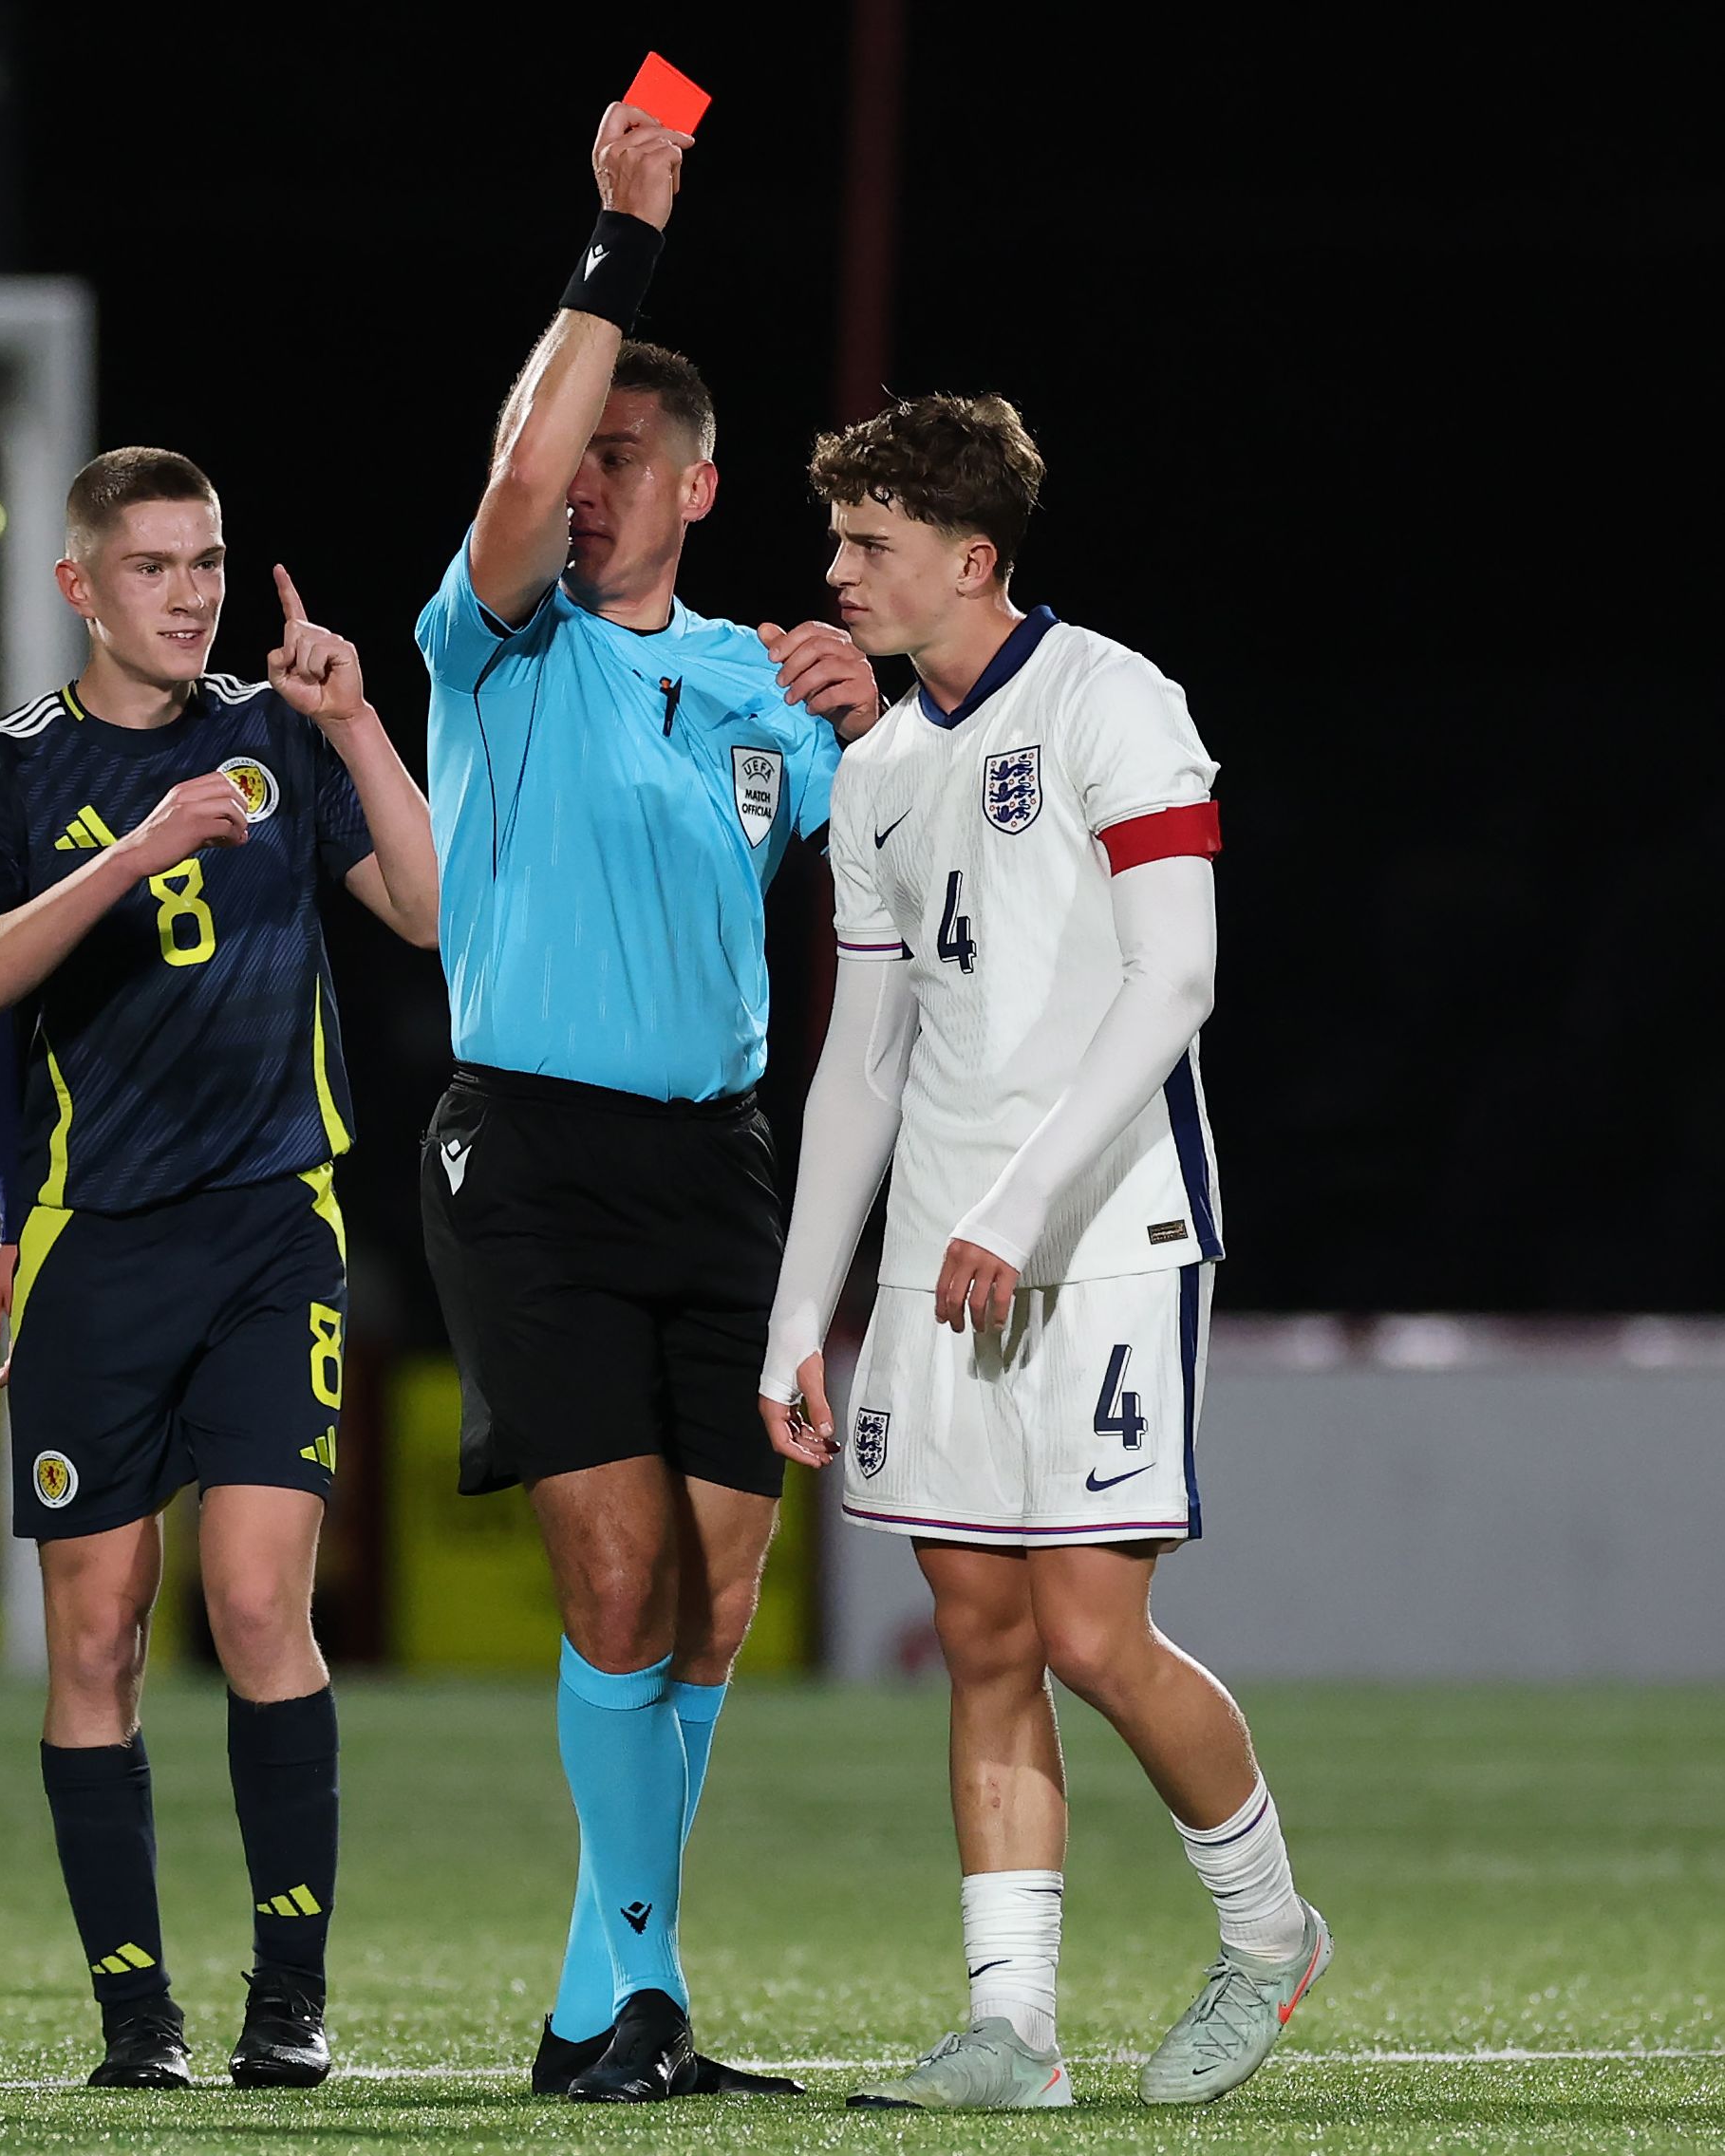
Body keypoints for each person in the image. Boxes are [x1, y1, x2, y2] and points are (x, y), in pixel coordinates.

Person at [758, 391, 1330, 2110]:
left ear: (971, 558)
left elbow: (1176, 979)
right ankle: (1014, 2030)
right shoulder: (877, 771)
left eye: (870, 542)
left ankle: (1269, 1937)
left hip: (1105, 1233)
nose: (840, 572)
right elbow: (864, 1062)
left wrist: (1013, 1208)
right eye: (838, 538)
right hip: (940, 1265)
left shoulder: (1111, 700)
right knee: (982, 1634)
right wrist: (800, 1309)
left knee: (1089, 1630)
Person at [409, 102, 880, 2105]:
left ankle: (598, 2006)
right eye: (570, 449)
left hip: (723, 1163)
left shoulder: (770, 688)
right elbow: (517, 470)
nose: (581, 479)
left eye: (623, 455)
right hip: (529, 1148)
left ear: (696, 482)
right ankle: (638, 1997)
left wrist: (882, 710)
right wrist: (618, 240)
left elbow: (897, 875)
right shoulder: (496, 640)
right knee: (613, 1583)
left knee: (717, 1597)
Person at [0, 447, 437, 2090]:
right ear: (79, 587)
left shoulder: (279, 731)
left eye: (207, 562)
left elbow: (431, 914)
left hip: (276, 1229)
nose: (191, 593)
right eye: (153, 566)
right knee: (98, 1636)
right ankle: (136, 2017)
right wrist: (131, 856)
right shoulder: (4, 767)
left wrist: (357, 720)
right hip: (96, 1245)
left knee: (261, 1601)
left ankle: (290, 1999)